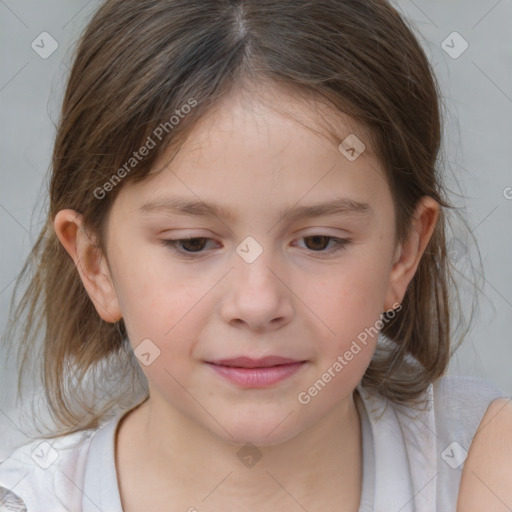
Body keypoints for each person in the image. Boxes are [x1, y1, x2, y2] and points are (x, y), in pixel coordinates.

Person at [0, 0, 510, 511]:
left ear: (404, 252)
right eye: (192, 243)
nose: (258, 302)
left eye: (319, 241)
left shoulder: (482, 468)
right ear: (96, 263)